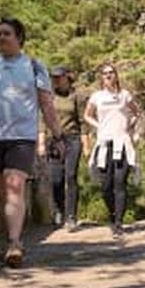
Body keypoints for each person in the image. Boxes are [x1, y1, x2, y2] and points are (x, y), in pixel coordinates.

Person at [0, 16, 63, 268]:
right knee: (1, 193)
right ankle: (11, 238)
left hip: (22, 136)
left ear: (19, 38)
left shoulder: (33, 66)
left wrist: (57, 134)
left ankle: (14, 244)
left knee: (14, 186)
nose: (1, 38)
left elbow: (46, 103)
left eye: (6, 34)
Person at [83, 62, 140, 239]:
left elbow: (137, 113)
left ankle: (119, 223)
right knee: (106, 185)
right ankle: (112, 215)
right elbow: (87, 115)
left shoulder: (125, 95)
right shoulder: (97, 96)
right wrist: (98, 125)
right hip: (104, 144)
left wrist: (130, 127)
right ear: (101, 77)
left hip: (121, 143)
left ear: (116, 75)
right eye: (105, 73)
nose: (108, 76)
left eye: (111, 73)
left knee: (119, 182)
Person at [37, 66, 87, 232]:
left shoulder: (76, 96)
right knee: (56, 179)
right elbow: (43, 119)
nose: (56, 80)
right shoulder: (49, 96)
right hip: (54, 140)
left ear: (67, 77)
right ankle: (60, 210)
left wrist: (86, 143)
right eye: (54, 77)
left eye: (59, 77)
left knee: (71, 176)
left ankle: (71, 216)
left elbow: (82, 121)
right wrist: (42, 142)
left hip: (72, 139)